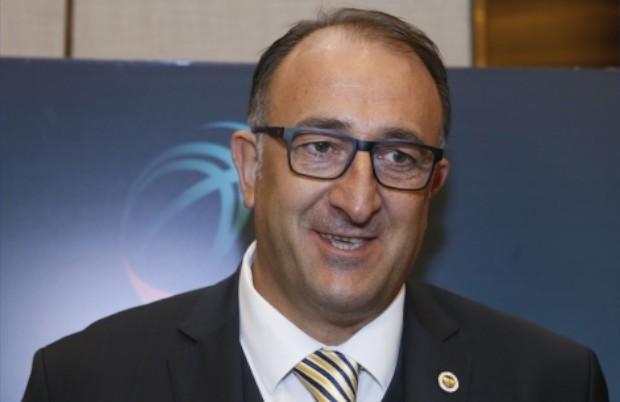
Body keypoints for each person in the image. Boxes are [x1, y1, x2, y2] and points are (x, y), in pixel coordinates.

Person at [23, 8, 608, 402]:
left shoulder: (550, 383)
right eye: (321, 147)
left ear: (434, 184)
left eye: (399, 156)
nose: (359, 200)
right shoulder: (85, 381)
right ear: (250, 169)